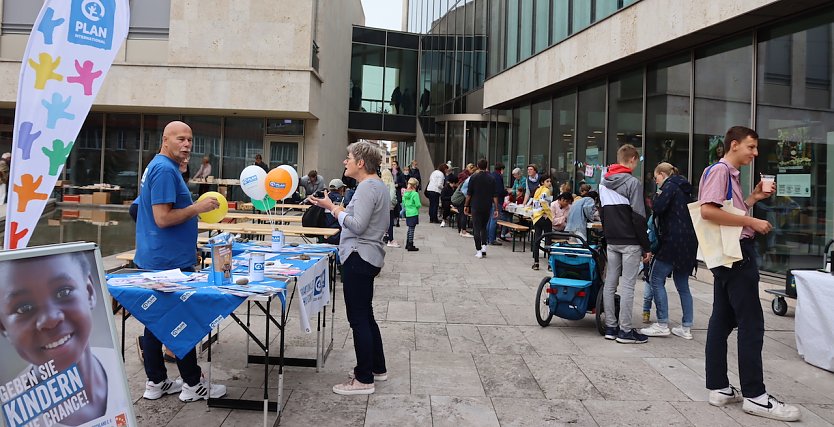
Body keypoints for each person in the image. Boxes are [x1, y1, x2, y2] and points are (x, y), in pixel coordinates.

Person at [699, 126, 800, 421]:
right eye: (751, 147)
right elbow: (708, 211)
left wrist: (752, 198)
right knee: (752, 323)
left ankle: (719, 387)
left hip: (726, 255)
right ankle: (756, 396)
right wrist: (751, 222)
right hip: (736, 255)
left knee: (722, 319)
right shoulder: (721, 171)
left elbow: (724, 209)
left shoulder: (725, 174)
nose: (755, 153)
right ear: (734, 145)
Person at [134, 121, 226, 402]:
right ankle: (192, 383)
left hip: (162, 256)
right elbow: (162, 218)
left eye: (190, 139)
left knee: (156, 323)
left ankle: (157, 382)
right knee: (180, 323)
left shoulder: (161, 167)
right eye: (180, 139)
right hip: (167, 262)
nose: (187, 144)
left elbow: (136, 209)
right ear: (165, 140)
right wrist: (197, 208)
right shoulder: (163, 169)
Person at [0, 252, 129, 426]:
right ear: (2, 326)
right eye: (24, 308)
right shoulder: (12, 413)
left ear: (89, 292)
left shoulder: (114, 365)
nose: (50, 319)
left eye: (64, 292)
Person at [307, 141, 389, 395]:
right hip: (367, 256)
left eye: (349, 157)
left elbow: (357, 225)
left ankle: (363, 379)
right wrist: (333, 208)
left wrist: (333, 208)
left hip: (358, 256)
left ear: (361, 163)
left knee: (358, 319)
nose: (345, 161)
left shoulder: (367, 187)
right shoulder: (377, 186)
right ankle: (376, 367)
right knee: (366, 314)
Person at [599, 144, 651, 344]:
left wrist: (607, 234)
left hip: (612, 240)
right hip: (630, 241)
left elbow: (603, 212)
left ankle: (611, 327)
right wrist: (646, 247)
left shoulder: (603, 182)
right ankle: (626, 331)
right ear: (632, 160)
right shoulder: (632, 182)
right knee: (628, 286)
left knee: (610, 284)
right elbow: (639, 217)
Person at [639, 162, 698, 340]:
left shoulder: (669, 186)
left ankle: (662, 323)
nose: (655, 181)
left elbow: (657, 207)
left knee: (656, 278)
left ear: (663, 175)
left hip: (672, 241)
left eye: (656, 177)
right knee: (683, 285)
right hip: (689, 242)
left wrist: (657, 195)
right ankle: (686, 327)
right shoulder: (684, 188)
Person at [465, 159, 499, 259]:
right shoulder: (491, 178)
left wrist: (466, 206)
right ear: (486, 166)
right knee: (484, 226)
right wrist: (496, 208)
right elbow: (495, 195)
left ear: (478, 166)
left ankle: (478, 250)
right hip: (487, 205)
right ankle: (484, 246)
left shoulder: (473, 177)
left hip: (476, 205)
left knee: (476, 227)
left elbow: (469, 194)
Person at [530, 175, 553, 270]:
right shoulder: (546, 190)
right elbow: (544, 201)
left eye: (550, 181)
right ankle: (550, 264)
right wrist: (548, 211)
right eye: (547, 181)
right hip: (544, 217)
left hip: (536, 218)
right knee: (548, 240)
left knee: (537, 240)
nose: (550, 183)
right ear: (543, 182)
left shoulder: (537, 190)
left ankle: (536, 263)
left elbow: (535, 203)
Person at [487, 162, 507, 246]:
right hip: (497, 201)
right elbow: (499, 191)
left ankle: (487, 238)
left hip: (489, 200)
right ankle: (492, 239)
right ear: (501, 169)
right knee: (494, 220)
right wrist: (506, 192)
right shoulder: (498, 177)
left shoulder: (491, 175)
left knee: (489, 220)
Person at [380, 169, 399, 248]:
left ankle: (384, 237)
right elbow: (392, 197)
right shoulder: (391, 184)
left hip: (381, 206)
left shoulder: (380, 184)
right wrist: (393, 204)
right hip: (389, 206)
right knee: (390, 223)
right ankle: (390, 240)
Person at [402, 177, 422, 251]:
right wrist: (418, 206)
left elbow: (403, 203)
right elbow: (418, 204)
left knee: (409, 229)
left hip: (408, 212)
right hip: (414, 212)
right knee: (412, 229)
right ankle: (410, 244)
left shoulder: (405, 193)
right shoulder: (415, 194)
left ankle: (407, 243)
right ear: (415, 185)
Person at [391, 161, 406, 227]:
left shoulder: (400, 174)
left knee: (397, 207)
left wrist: (398, 185)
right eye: (392, 164)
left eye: (394, 164)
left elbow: (403, 183)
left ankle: (397, 220)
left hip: (397, 191)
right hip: (391, 191)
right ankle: (393, 219)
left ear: (397, 165)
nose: (393, 166)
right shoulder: (390, 173)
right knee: (392, 207)